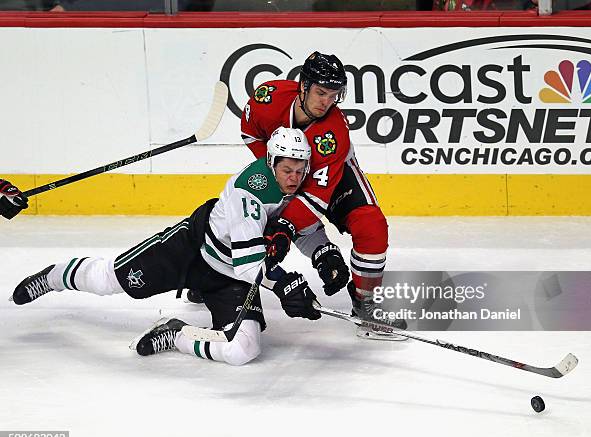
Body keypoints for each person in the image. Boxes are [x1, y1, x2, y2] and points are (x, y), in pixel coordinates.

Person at [11, 126, 321, 366]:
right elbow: (249, 265)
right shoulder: (249, 191)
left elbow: (299, 226)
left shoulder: (299, 185)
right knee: (109, 280)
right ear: (271, 163)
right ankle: (51, 277)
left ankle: (175, 333)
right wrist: (284, 284)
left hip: (229, 278)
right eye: (286, 170)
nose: (294, 178)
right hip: (189, 252)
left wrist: (324, 254)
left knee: (243, 350)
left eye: (299, 170)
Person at [238, 51, 406, 340]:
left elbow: (317, 197)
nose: (326, 102)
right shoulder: (268, 98)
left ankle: (365, 303)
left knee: (371, 225)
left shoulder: (334, 131)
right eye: (320, 92)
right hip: (283, 166)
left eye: (334, 95)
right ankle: (216, 275)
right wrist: (277, 169)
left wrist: (292, 227)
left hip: (332, 173)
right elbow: (250, 132)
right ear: (303, 85)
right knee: (243, 215)